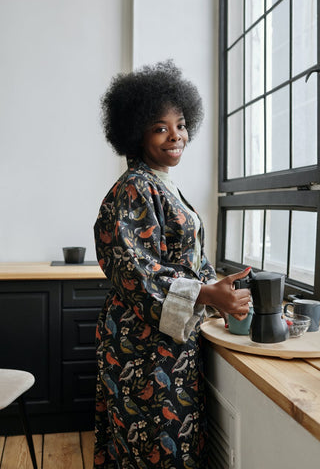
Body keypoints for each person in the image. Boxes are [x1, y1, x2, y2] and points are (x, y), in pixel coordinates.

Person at [94, 60, 251, 469]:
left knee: (171, 444)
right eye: (160, 127)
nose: (175, 135)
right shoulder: (134, 189)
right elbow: (136, 271)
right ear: (136, 132)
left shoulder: (162, 184)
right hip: (141, 348)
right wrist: (204, 292)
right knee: (151, 447)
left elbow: (182, 259)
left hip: (167, 343)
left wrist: (215, 293)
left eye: (180, 124)